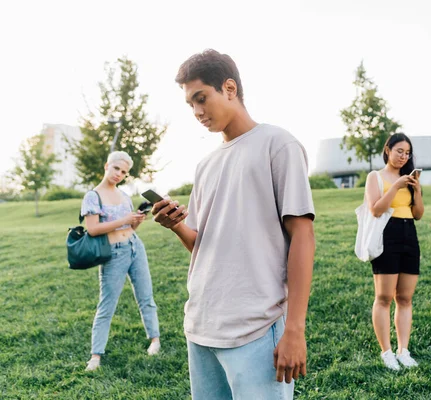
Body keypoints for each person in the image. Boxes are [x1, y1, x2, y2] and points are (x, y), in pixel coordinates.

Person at [151, 49, 315, 399]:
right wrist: (177, 226)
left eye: (201, 98)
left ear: (229, 88)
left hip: (255, 329)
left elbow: (303, 235)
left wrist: (295, 329)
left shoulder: (277, 144)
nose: (196, 112)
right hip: (201, 326)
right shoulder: (205, 165)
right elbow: (202, 244)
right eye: (190, 104)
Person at [81, 151, 161, 371]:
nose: (119, 174)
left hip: (135, 247)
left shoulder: (124, 196)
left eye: (124, 172)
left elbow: (129, 227)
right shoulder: (93, 196)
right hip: (114, 253)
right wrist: (124, 220)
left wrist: (136, 220)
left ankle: (155, 340)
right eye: (116, 168)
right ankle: (95, 355)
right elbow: (93, 229)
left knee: (146, 296)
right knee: (107, 304)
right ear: (107, 165)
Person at [364, 133, 424, 371]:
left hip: (409, 235)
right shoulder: (375, 177)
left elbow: (418, 214)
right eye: (400, 151)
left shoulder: (408, 178)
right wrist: (396, 186)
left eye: (407, 153)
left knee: (405, 298)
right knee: (384, 298)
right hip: (386, 235)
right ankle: (386, 352)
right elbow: (376, 209)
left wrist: (416, 190)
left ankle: (403, 350)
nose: (404, 156)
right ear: (387, 149)